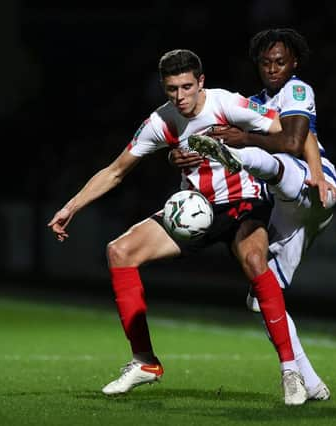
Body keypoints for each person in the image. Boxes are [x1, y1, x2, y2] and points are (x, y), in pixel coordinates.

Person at [47, 49, 308, 405]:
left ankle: (290, 371)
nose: (181, 97)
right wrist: (71, 206)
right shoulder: (161, 121)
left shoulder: (227, 103)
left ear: (201, 82)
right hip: (195, 211)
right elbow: (115, 171)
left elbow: (288, 128)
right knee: (119, 251)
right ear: (163, 88)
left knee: (254, 262)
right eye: (172, 89)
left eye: (187, 87)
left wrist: (263, 146)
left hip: (243, 205)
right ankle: (145, 361)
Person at [174, 28, 336, 401]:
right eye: (266, 63)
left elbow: (297, 140)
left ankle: (245, 161)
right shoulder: (252, 104)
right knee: (264, 296)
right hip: (287, 209)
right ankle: (309, 382)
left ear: (294, 61)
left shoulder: (297, 90)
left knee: (277, 161)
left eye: (280, 61)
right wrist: (182, 155)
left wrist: (242, 141)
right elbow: (209, 134)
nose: (273, 68)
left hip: (313, 186)